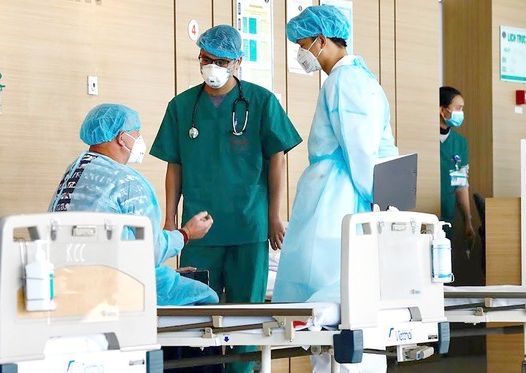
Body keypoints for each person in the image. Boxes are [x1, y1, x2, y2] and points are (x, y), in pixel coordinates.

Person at [150, 25, 302, 373]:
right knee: (195, 314)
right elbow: (174, 164)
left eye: (221, 61)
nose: (212, 67)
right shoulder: (182, 106)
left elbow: (277, 158)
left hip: (248, 225)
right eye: (206, 59)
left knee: (246, 315)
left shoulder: (261, 101)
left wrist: (275, 216)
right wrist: (170, 221)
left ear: (237, 62)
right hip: (198, 232)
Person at [272, 5, 398, 372]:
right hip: (336, 194)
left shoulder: (346, 82)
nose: (300, 52)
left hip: (339, 198)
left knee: (334, 303)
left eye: (302, 44)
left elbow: (362, 152)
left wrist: (378, 198)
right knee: (331, 317)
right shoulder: (353, 80)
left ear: (322, 40)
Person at [48, 103, 218, 306]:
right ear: (122, 137)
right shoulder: (126, 182)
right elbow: (149, 250)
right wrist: (186, 233)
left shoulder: (76, 170)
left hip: (67, 278)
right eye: (137, 134)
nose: (140, 141)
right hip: (113, 284)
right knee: (205, 296)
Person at [439, 86, 475, 240]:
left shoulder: (460, 143)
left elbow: (461, 184)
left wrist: (468, 220)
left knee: (443, 259)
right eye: (458, 108)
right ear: (443, 110)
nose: (461, 114)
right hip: (424, 215)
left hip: (447, 216)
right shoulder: (425, 140)